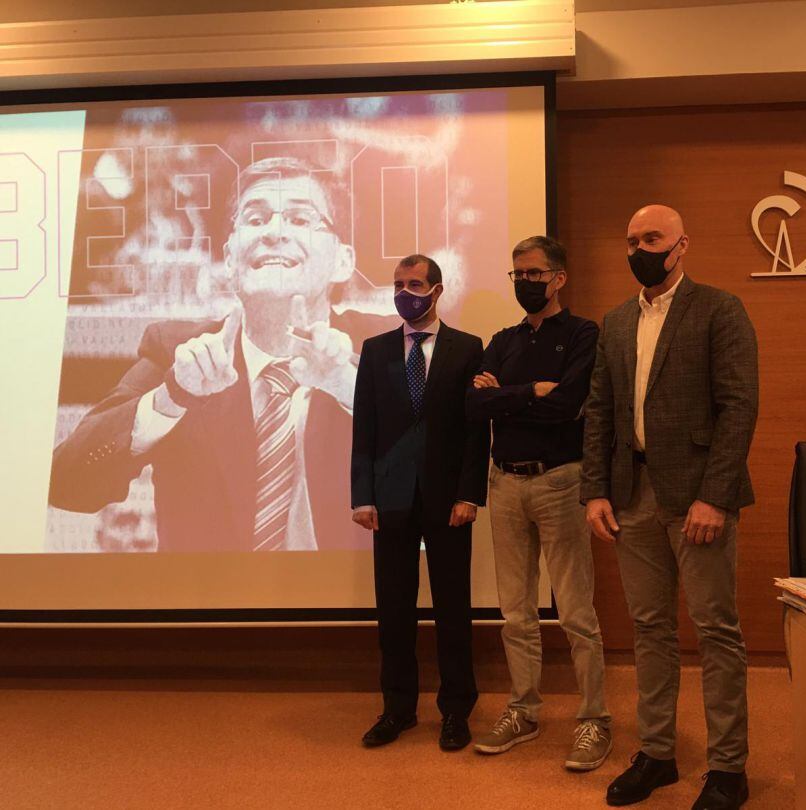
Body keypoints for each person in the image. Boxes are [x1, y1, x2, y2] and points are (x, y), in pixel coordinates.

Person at [49, 156, 370, 552]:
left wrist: (346, 384)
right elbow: (65, 481)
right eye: (255, 219)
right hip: (214, 609)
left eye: (301, 219)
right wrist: (172, 397)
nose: (274, 232)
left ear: (343, 262)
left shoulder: (385, 343)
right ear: (230, 260)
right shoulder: (177, 353)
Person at [581, 205, 759, 810]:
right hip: (631, 493)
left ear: (681, 245)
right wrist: (596, 490)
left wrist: (714, 495)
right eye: (631, 240)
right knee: (649, 629)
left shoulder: (719, 308)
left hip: (700, 498)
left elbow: (738, 407)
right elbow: (600, 412)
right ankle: (657, 754)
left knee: (715, 630)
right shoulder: (614, 321)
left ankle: (729, 768)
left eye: (651, 239)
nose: (639, 248)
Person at [466, 236, 611, 770]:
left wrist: (506, 396)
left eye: (534, 273)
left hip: (560, 483)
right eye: (517, 274)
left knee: (575, 611)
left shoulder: (582, 333)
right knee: (516, 612)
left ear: (559, 278)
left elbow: (571, 403)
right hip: (504, 483)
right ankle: (523, 710)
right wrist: (532, 392)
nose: (526, 282)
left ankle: (594, 718)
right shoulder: (502, 340)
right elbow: (473, 404)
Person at [351, 254, 489, 752]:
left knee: (453, 606)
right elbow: (363, 428)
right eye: (397, 284)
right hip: (388, 499)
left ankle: (455, 710)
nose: (404, 292)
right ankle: (397, 709)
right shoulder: (375, 349)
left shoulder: (468, 349)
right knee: (394, 608)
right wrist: (361, 495)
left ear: (436, 290)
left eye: (414, 283)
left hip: (449, 498)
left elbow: (476, 431)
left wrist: (470, 493)